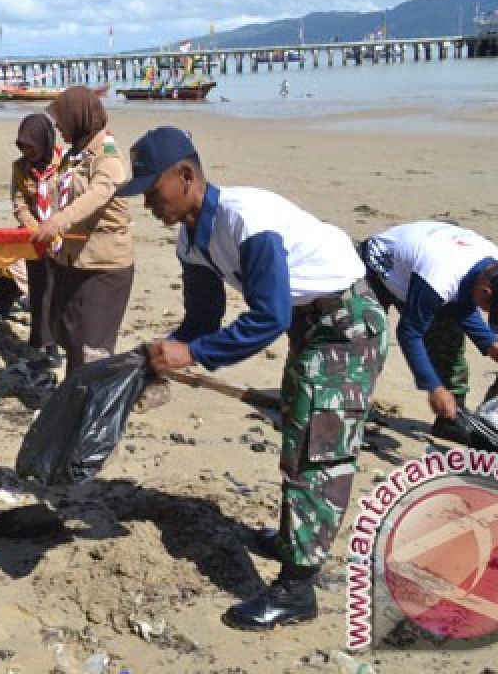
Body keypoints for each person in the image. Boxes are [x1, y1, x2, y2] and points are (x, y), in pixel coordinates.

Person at [119, 127, 388, 631]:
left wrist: (192, 354)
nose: (148, 204)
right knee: (297, 431)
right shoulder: (191, 239)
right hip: (311, 325)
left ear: (186, 176)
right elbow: (203, 319)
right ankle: (294, 539)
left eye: (152, 191)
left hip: (346, 324)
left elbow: (269, 317)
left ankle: (296, 588)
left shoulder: (248, 220)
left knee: (318, 450)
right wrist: (168, 351)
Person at [358, 221, 498, 437]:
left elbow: (462, 305)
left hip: (418, 274)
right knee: (365, 342)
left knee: (448, 337)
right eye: (492, 310)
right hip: (376, 270)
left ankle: (451, 418)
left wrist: (490, 343)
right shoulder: (442, 275)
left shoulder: (492, 262)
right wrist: (433, 388)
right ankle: (348, 413)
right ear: (486, 291)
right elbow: (409, 332)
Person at [29, 85, 133, 375]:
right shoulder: (74, 155)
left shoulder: (107, 155)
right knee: (69, 338)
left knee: (92, 349)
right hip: (71, 262)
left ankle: (91, 409)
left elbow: (99, 193)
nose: (59, 127)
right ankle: (75, 399)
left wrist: (58, 222)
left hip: (103, 268)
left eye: (62, 120)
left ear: (79, 117)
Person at [11, 113, 63, 366]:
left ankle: (59, 338)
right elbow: (19, 204)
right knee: (40, 288)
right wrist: (37, 230)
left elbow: (70, 199)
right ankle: (42, 339)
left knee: (61, 289)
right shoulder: (20, 168)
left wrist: (56, 228)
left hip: (63, 236)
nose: (27, 152)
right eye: (22, 147)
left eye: (31, 146)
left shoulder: (64, 164)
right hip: (34, 238)